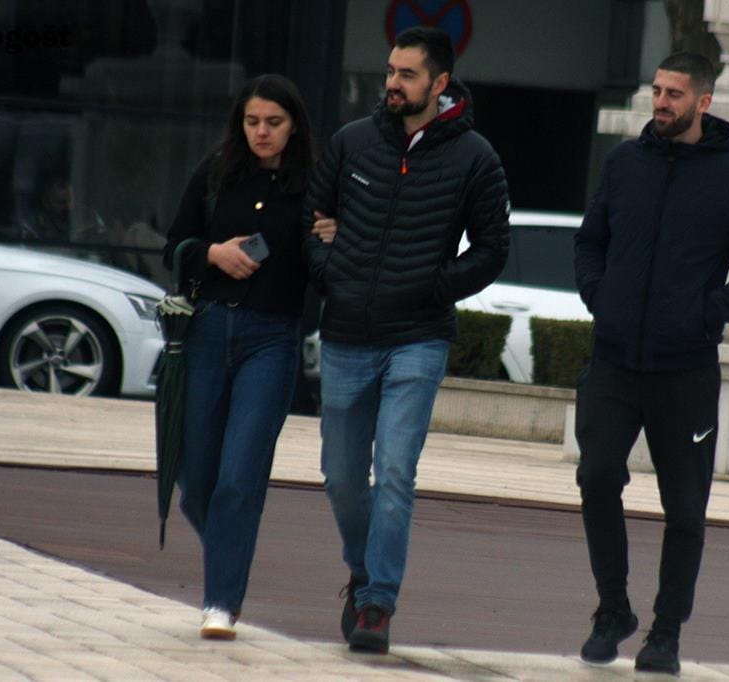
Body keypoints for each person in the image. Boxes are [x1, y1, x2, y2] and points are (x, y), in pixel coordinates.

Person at [573, 52, 729, 674]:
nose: (661, 102)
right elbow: (590, 240)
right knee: (596, 477)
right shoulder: (624, 163)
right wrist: (598, 296)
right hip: (614, 361)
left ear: (703, 102)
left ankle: (665, 632)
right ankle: (613, 609)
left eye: (674, 94)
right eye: (658, 91)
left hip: (686, 371)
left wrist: (708, 313)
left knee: (685, 508)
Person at [303, 26, 509, 654]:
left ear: (439, 83)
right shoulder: (352, 142)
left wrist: (433, 287)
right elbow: (311, 221)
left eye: (408, 74)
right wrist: (332, 274)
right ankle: (362, 569)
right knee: (341, 477)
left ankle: (376, 604)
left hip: (418, 337)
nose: (393, 83)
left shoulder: (475, 157)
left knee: (394, 472)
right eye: (391, 71)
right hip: (345, 333)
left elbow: (493, 249)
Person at [163, 74, 314, 640]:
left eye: (274, 122)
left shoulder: (314, 184)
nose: (262, 132)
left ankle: (220, 602)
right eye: (252, 121)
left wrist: (330, 234)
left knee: (239, 478)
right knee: (195, 483)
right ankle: (231, 553)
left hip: (271, 340)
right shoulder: (216, 170)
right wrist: (212, 254)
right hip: (206, 331)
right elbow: (173, 246)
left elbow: (323, 265)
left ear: (293, 125)